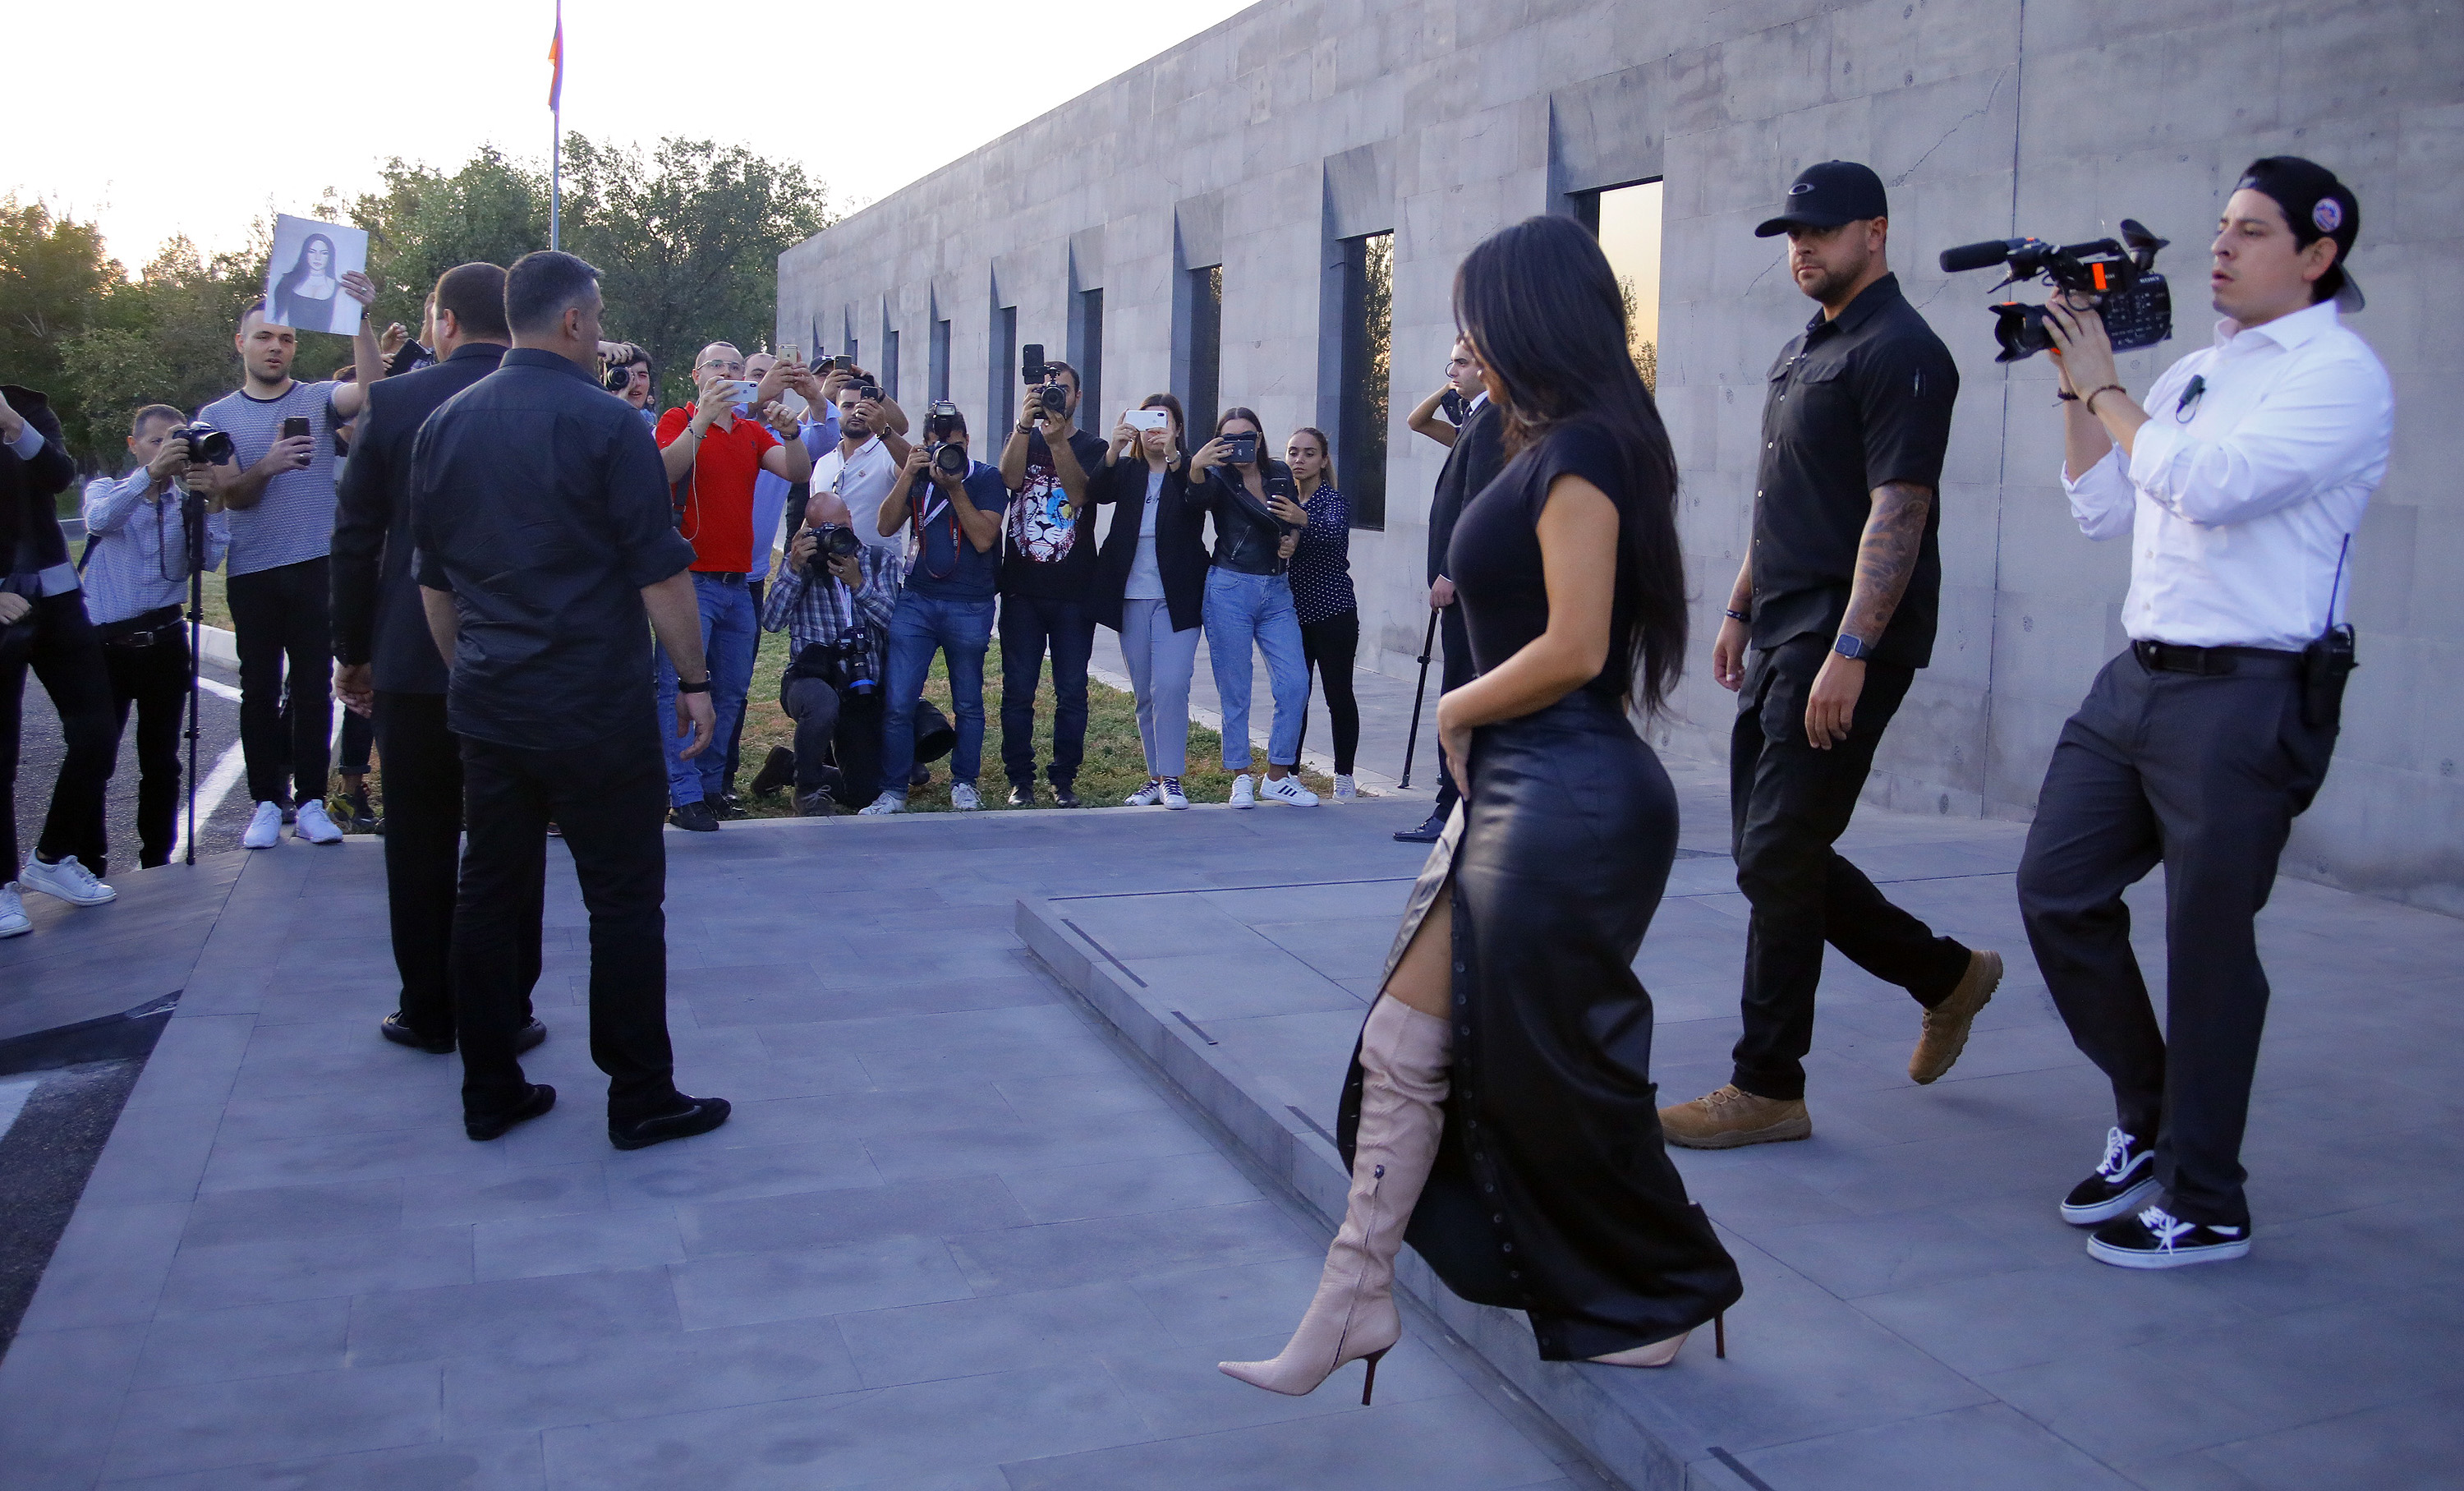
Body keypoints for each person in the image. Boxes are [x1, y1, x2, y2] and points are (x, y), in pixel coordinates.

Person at [1221, 214, 1741, 1401]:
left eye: (1474, 318)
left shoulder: (1591, 451)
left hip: (1570, 794)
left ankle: (1649, 1292)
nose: (1463, 342)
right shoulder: (1542, 438)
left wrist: (1458, 708)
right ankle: (1354, 1297)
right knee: (1422, 1048)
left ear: (1530, 317)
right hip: (1529, 786)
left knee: (1551, 1067)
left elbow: (1576, 642)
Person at [2020, 158, 2392, 1269]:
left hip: (2248, 696)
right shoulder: (2193, 372)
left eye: (2253, 231)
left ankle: (2208, 1194)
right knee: (2056, 888)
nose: (2222, 246)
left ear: (2318, 256)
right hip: (2137, 680)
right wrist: (2070, 378)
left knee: (2208, 943)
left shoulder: (2338, 376)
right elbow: (2100, 503)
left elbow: (2208, 484)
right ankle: (2149, 1114)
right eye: (2221, 226)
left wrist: (2105, 392)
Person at [1659, 161, 2004, 1151]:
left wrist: (1852, 647)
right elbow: (1785, 502)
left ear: (1875, 233)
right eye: (1791, 235)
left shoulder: (1903, 351)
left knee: (1776, 854)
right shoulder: (1807, 347)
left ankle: (1768, 1085)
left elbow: (1899, 508)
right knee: (1772, 856)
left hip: (1843, 637)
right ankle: (1945, 974)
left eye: (1819, 231)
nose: (1801, 248)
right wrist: (1736, 608)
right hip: (1782, 625)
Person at [411, 248, 729, 1150]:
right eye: (596, 319)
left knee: (488, 896)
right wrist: (696, 680)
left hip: (492, 702)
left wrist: (468, 668)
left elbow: (434, 586)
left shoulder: (446, 424)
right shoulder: (608, 426)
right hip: (593, 705)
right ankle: (640, 1095)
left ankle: (489, 1089)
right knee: (623, 901)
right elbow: (658, 569)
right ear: (574, 322)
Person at [332, 260, 547, 1061]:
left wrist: (354, 651)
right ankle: (508, 1008)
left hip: (414, 657)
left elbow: (355, 540)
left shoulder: (393, 402)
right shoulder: (557, 397)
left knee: (418, 840)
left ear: (443, 323)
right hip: (523, 659)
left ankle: (428, 1008)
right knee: (513, 840)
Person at [193, 280, 386, 849]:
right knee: (258, 689)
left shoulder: (319, 398)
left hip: (314, 565)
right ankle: (263, 800)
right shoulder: (216, 416)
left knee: (310, 688)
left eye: (286, 338)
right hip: (253, 570)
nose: (276, 347)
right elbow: (232, 494)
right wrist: (271, 463)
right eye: (264, 337)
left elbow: (375, 395)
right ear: (241, 343)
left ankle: (309, 802)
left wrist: (360, 320)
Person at [650, 342, 813, 831]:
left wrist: (792, 435)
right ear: (697, 376)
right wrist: (703, 420)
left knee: (731, 692)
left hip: (738, 584)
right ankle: (681, 793)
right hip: (690, 581)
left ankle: (711, 785)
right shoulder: (679, 420)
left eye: (735, 368)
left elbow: (797, 471)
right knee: (678, 688)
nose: (727, 373)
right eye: (716, 366)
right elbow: (663, 471)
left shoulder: (749, 432)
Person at [77, 406, 230, 872]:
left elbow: (208, 560)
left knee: (162, 762)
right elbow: (100, 521)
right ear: (134, 445)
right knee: (95, 759)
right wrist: (150, 476)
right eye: (157, 442)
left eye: (176, 442)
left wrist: (215, 504)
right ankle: (88, 861)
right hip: (106, 646)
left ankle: (156, 860)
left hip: (166, 641)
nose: (168, 452)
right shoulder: (107, 489)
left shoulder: (186, 502)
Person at [2, 382, 119, 937]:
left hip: (57, 596)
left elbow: (57, 476)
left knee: (96, 728)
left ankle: (52, 856)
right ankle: (1, 886)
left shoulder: (25, 406)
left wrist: (12, 424)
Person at [861, 407, 1004, 813]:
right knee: (899, 701)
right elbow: (886, 526)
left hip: (970, 604)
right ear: (925, 445)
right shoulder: (918, 476)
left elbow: (981, 539)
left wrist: (956, 488)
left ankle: (965, 783)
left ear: (967, 441)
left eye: (954, 445)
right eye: (938, 445)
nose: (946, 453)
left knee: (969, 702)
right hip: (917, 601)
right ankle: (893, 790)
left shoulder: (987, 478)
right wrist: (909, 472)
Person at [1395, 337, 1502, 842]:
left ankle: (1451, 808)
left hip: (1466, 586)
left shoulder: (1491, 421)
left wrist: (1451, 571)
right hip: (1463, 583)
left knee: (1459, 688)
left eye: (1461, 363)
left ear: (1489, 368)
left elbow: (1475, 504)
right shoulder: (1475, 419)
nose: (1452, 371)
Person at [1188, 407, 1318, 808]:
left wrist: (1296, 533)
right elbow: (1194, 503)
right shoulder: (1217, 476)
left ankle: (1278, 775)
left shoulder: (1280, 473)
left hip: (1277, 591)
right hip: (1230, 586)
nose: (1238, 444)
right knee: (1236, 688)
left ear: (1259, 439)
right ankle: (1240, 775)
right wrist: (1195, 466)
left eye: (1246, 436)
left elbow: (1292, 523)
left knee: (1295, 683)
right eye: (1228, 437)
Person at [996, 358, 1106, 808]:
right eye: (1046, 389)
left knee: (1071, 692)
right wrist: (1025, 425)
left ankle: (1064, 780)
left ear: (1078, 397)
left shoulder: (1095, 446)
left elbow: (1079, 494)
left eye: (1062, 389)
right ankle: (1020, 780)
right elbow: (1008, 479)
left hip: (1074, 591)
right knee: (1018, 689)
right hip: (1022, 587)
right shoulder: (1020, 436)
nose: (1054, 396)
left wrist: (1058, 440)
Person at [1092, 394, 1208, 810]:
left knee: (1171, 685)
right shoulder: (1128, 470)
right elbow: (1096, 492)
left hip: (1177, 596)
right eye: (1150, 421)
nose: (1157, 429)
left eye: (1166, 421)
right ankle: (1155, 777)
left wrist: (1176, 456)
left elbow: (1197, 499)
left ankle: (1172, 778)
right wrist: (1114, 448)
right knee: (1144, 690)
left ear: (1178, 427)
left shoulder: (1192, 469)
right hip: (1131, 594)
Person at [759, 489, 901, 815]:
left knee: (864, 793)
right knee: (823, 704)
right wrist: (794, 568)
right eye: (823, 529)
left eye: (839, 526)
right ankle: (807, 792)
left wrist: (858, 584)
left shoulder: (880, 561)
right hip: (812, 679)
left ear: (850, 519)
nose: (835, 536)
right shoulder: (802, 563)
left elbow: (897, 626)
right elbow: (772, 621)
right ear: (808, 531)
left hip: (861, 688)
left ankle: (788, 766)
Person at [1283, 426, 1358, 800]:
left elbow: (1333, 534)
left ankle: (1344, 774)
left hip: (1333, 609)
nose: (1299, 460)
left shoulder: (1333, 500)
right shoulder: (1278, 497)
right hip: (1290, 611)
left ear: (1323, 460)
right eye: (1293, 452)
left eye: (1309, 453)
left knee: (1338, 694)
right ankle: (1289, 772)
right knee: (1296, 692)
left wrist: (1301, 520)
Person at [271, 232, 354, 335]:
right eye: (312, 252)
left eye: (324, 253)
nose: (317, 257)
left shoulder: (340, 290)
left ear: (330, 256)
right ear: (305, 253)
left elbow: (338, 328)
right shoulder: (287, 283)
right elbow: (279, 320)